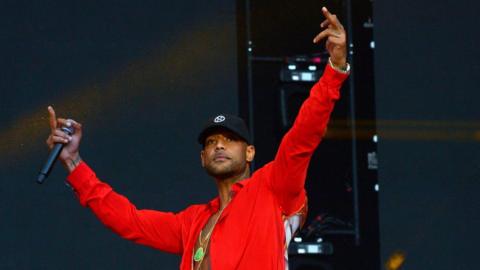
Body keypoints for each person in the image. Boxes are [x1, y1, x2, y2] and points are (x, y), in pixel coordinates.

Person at [46, 6, 350, 270]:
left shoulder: (273, 188)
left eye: (229, 139)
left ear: (250, 152)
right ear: (202, 157)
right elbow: (129, 220)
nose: (218, 144)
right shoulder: (191, 223)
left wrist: (334, 70)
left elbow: (302, 137)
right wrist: (73, 160)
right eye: (210, 141)